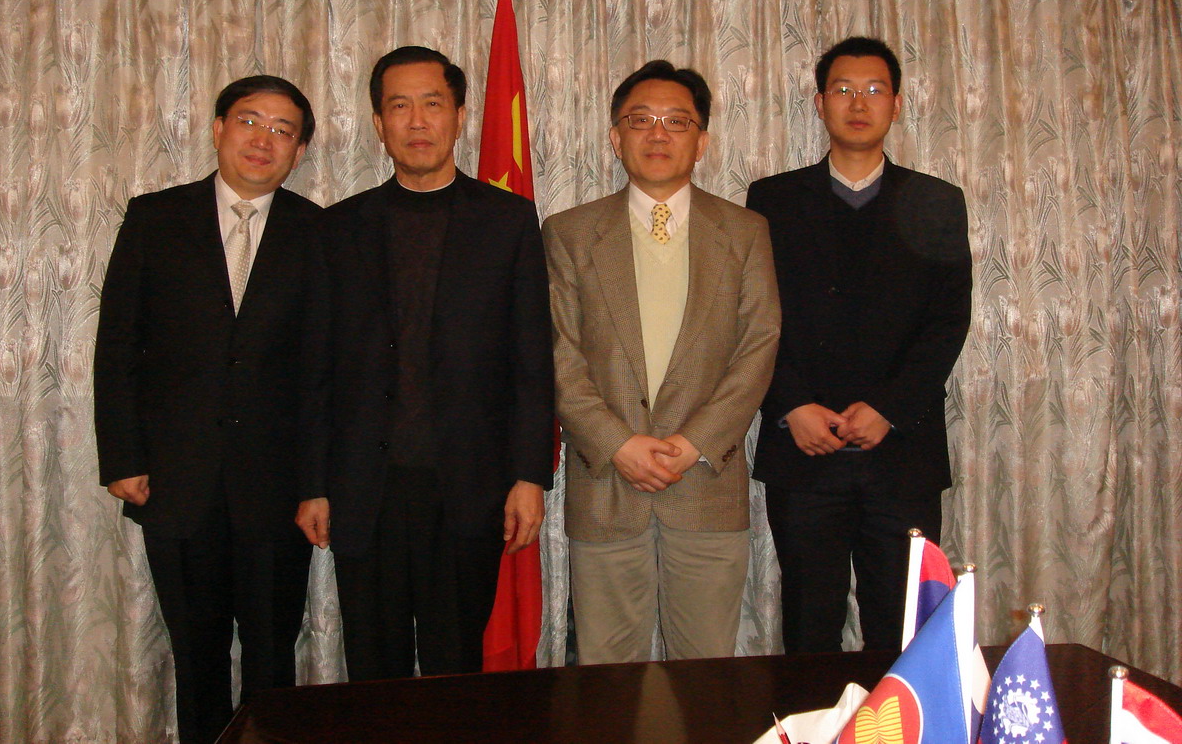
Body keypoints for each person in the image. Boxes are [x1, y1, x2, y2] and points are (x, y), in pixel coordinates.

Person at [294, 45, 554, 680]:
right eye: (399, 106)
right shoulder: (339, 227)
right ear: (378, 123)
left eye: (432, 104)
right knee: (372, 670)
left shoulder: (508, 220)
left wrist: (529, 475)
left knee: (455, 667)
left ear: (460, 116)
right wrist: (312, 482)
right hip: (365, 487)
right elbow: (316, 366)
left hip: (468, 486)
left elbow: (530, 359)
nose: (417, 121)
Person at [94, 75, 320, 743]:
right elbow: (118, 345)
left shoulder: (319, 231)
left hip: (278, 490)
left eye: (282, 130)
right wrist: (123, 457)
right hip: (175, 481)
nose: (263, 139)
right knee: (196, 657)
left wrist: (318, 482)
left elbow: (326, 369)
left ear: (299, 151)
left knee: (273, 658)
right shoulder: (155, 218)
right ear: (218, 128)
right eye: (249, 120)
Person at [542, 60, 780, 664]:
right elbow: (557, 351)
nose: (657, 134)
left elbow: (759, 344)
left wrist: (695, 442)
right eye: (640, 120)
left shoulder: (745, 231)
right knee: (607, 670)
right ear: (615, 137)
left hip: (706, 484)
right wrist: (617, 442)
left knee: (707, 670)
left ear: (702, 142)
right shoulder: (568, 233)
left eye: (677, 121)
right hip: (605, 485)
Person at [747, 36, 972, 653]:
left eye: (874, 90)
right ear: (820, 102)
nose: (858, 102)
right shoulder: (771, 201)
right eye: (843, 89)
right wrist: (791, 405)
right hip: (803, 448)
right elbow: (754, 317)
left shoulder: (937, 201)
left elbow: (948, 322)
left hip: (901, 453)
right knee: (809, 628)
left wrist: (889, 408)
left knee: (902, 632)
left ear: (896, 104)